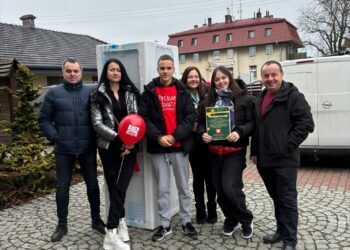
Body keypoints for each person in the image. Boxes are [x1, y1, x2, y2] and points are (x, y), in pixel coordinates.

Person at [38, 58, 105, 242]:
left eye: (75, 71)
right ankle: (62, 225)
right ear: (63, 72)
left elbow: (101, 116)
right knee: (62, 187)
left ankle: (96, 220)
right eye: (69, 71)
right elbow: (43, 119)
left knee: (92, 185)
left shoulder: (91, 92)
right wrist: (55, 137)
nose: (72, 74)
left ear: (81, 72)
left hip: (88, 148)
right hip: (63, 149)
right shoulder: (54, 93)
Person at [250, 60, 314, 250]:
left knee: (287, 199)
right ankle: (281, 231)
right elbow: (257, 128)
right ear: (261, 78)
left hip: (285, 160)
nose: (270, 79)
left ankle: (290, 240)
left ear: (282, 75)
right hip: (264, 159)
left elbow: (306, 124)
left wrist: (287, 145)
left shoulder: (294, 97)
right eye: (266, 75)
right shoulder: (260, 98)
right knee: (276, 198)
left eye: (273, 75)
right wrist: (254, 151)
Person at [139, 55, 198, 241]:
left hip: (179, 146)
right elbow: (144, 119)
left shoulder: (183, 92)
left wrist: (174, 136)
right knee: (162, 188)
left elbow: (191, 117)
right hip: (158, 147)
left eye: (169, 68)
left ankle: (186, 221)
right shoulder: (148, 92)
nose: (165, 71)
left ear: (174, 69)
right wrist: (159, 137)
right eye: (162, 68)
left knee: (183, 187)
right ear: (158, 69)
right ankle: (165, 224)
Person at [198, 66, 254, 239]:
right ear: (213, 82)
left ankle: (246, 219)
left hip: (235, 151)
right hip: (214, 151)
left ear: (229, 78)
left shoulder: (244, 99)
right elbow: (200, 123)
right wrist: (202, 133)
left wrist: (240, 131)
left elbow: (252, 123)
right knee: (219, 189)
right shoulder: (208, 100)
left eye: (223, 78)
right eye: (217, 79)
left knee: (230, 186)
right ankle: (231, 218)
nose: (221, 82)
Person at [90, 58, 140, 250]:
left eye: (118, 69)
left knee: (121, 187)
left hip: (130, 146)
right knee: (114, 187)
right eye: (112, 69)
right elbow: (97, 124)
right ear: (106, 72)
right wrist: (120, 139)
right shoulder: (97, 95)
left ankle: (110, 231)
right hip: (109, 148)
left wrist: (131, 142)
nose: (115, 73)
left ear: (122, 72)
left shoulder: (130, 92)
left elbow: (136, 118)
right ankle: (120, 222)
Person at [181, 66, 217, 224]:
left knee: (211, 177)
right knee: (197, 178)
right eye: (190, 77)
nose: (193, 79)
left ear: (200, 78)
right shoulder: (181, 95)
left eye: (196, 76)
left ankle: (212, 210)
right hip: (193, 142)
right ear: (185, 79)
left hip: (208, 140)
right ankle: (200, 210)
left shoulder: (209, 93)